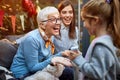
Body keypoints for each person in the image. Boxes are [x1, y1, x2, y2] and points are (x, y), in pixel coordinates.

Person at [63, 0, 120, 80]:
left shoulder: (101, 45)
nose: (84, 25)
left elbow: (96, 73)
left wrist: (77, 59)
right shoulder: (109, 40)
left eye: (84, 20)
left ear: (95, 21)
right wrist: (79, 57)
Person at [10, 6, 72, 80]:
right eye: (52, 19)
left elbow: (47, 58)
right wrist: (53, 60)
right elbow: (32, 68)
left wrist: (62, 54)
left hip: (37, 71)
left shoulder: (50, 36)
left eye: (58, 19)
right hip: (22, 74)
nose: (58, 23)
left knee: (68, 72)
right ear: (42, 25)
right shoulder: (32, 39)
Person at [53, 0, 79, 80]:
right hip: (54, 62)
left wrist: (75, 52)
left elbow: (74, 47)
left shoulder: (75, 29)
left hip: (68, 61)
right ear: (59, 14)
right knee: (69, 72)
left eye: (70, 12)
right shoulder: (54, 27)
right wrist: (16, 42)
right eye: (64, 12)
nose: (68, 15)